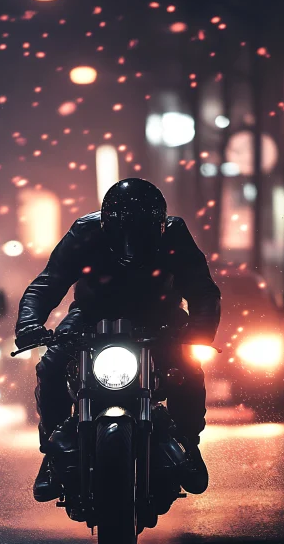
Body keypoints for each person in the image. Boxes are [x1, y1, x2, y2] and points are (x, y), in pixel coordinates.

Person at [15, 178, 221, 501]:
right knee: (52, 366)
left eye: (141, 232)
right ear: (107, 225)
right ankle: (51, 456)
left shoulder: (175, 234)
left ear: (159, 226)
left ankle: (189, 444)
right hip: (92, 314)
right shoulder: (84, 233)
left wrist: (199, 331)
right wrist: (29, 324)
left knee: (188, 369)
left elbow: (203, 290)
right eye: (124, 232)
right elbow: (47, 284)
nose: (131, 244)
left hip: (160, 316)